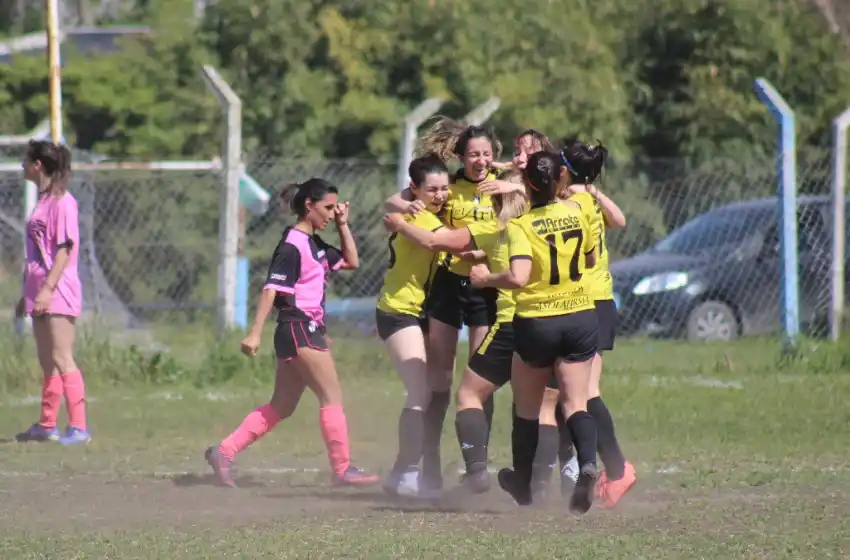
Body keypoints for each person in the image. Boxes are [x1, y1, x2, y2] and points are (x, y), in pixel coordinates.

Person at [205, 178, 380, 488]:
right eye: (327, 208)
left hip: (299, 331)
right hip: (299, 328)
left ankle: (224, 451)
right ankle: (343, 469)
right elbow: (271, 288)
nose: (331, 213)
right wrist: (254, 333)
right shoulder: (292, 245)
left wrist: (342, 225)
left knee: (282, 406)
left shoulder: (315, 245)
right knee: (331, 396)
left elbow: (352, 261)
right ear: (308, 206)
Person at [470, 150, 599, 514]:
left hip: (537, 321)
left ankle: (522, 484)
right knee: (576, 403)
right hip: (580, 316)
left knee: (527, 408)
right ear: (560, 177)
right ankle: (588, 465)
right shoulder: (576, 211)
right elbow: (589, 259)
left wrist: (486, 278)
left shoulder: (522, 225)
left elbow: (518, 277)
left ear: (526, 185)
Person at [384, 169, 527, 495]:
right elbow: (400, 202)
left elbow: (441, 241)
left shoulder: (504, 191)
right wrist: (403, 210)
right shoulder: (437, 200)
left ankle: (475, 465)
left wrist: (401, 221)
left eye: (487, 153)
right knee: (440, 382)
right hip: (448, 289)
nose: (439, 194)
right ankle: (428, 467)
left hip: (484, 291)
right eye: (432, 189)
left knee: (478, 384)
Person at [555, 138, 636, 508]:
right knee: (582, 393)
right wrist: (590, 188)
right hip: (597, 301)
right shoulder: (588, 199)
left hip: (589, 302)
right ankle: (606, 469)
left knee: (585, 394)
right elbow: (619, 220)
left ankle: (617, 471)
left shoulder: (569, 204)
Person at [376, 155, 450, 497]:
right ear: (416, 191)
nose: (441, 195)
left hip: (428, 312)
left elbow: (393, 201)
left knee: (433, 391)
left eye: (445, 188)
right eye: (432, 189)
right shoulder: (419, 216)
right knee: (420, 392)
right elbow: (441, 242)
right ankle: (405, 472)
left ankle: (408, 469)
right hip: (398, 310)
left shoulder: (426, 211)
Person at [15, 140, 90, 446]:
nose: (22, 165)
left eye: (26, 161)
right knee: (47, 359)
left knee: (62, 356)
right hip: (39, 290)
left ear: (38, 165)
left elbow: (63, 251)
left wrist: (46, 290)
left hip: (57, 290)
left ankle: (79, 427)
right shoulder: (44, 200)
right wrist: (27, 292)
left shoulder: (62, 202)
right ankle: (47, 425)